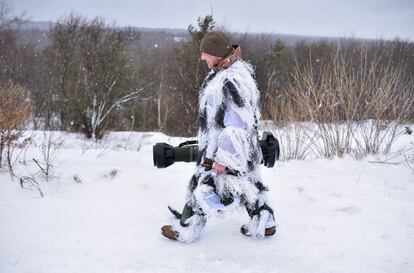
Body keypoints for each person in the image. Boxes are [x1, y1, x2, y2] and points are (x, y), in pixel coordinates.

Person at [161, 31, 277, 243]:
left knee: (202, 181)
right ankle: (265, 221)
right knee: (249, 178)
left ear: (215, 53)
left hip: (222, 149)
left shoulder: (230, 81)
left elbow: (235, 127)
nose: (202, 57)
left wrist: (222, 160)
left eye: (205, 53)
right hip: (243, 147)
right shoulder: (231, 73)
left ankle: (187, 228)